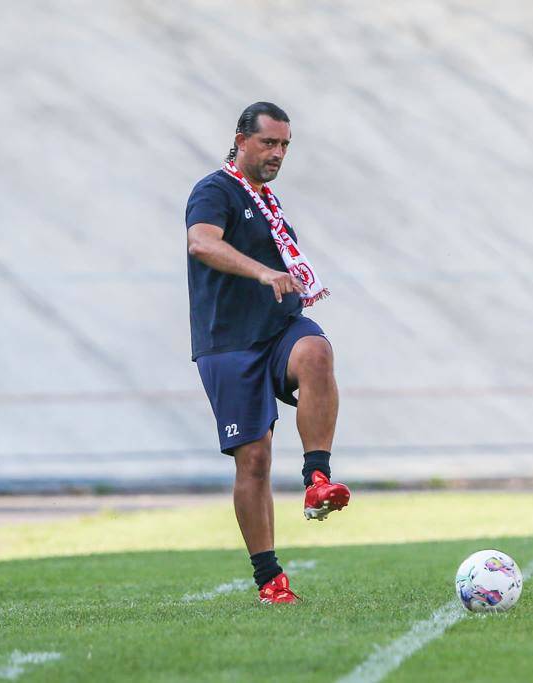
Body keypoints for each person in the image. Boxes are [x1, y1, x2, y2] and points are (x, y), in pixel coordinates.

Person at [185, 102, 350, 604]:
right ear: (240, 139)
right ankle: (269, 579)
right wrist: (262, 271)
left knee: (317, 351)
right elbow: (200, 243)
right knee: (254, 461)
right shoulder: (215, 189)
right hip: (230, 343)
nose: (277, 153)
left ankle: (317, 478)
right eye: (268, 143)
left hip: (276, 329)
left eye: (284, 146)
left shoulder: (268, 202)